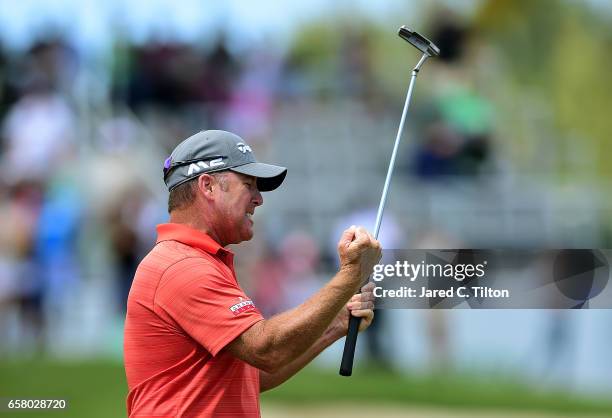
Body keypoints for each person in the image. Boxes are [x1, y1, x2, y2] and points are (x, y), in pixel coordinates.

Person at [123, 130, 381, 418]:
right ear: (208, 186)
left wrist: (336, 324)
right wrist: (350, 275)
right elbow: (266, 350)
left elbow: (250, 375)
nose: (259, 199)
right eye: (248, 185)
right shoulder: (183, 266)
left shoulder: (195, 261)